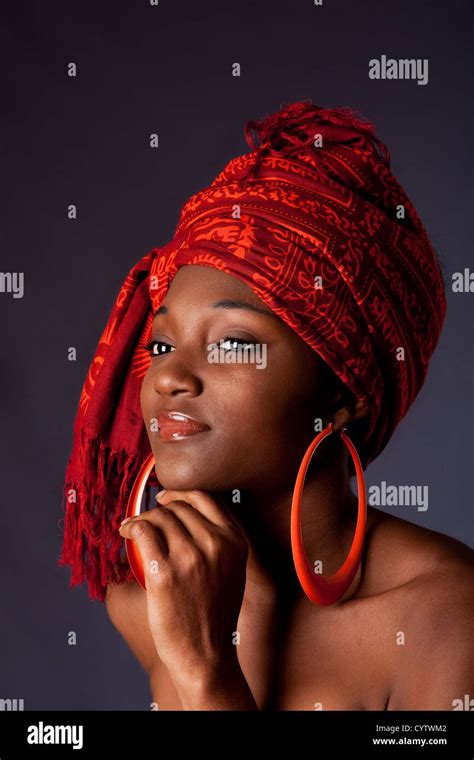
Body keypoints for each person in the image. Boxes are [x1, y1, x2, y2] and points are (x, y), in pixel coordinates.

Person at [59, 99, 474, 711]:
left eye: (232, 344)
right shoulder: (152, 600)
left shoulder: (447, 616)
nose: (170, 375)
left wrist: (208, 676)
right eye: (163, 341)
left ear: (345, 395)